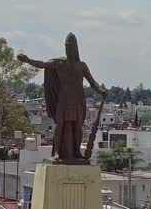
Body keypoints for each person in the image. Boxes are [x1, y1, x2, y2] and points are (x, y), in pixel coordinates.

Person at [17, 33, 105, 163]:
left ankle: (76, 152)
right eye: (66, 47)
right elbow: (41, 64)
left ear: (75, 48)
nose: (68, 49)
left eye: (71, 47)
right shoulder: (59, 63)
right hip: (63, 100)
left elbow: (92, 82)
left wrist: (101, 90)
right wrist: (27, 60)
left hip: (78, 100)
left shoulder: (82, 65)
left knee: (77, 127)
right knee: (60, 126)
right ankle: (57, 152)